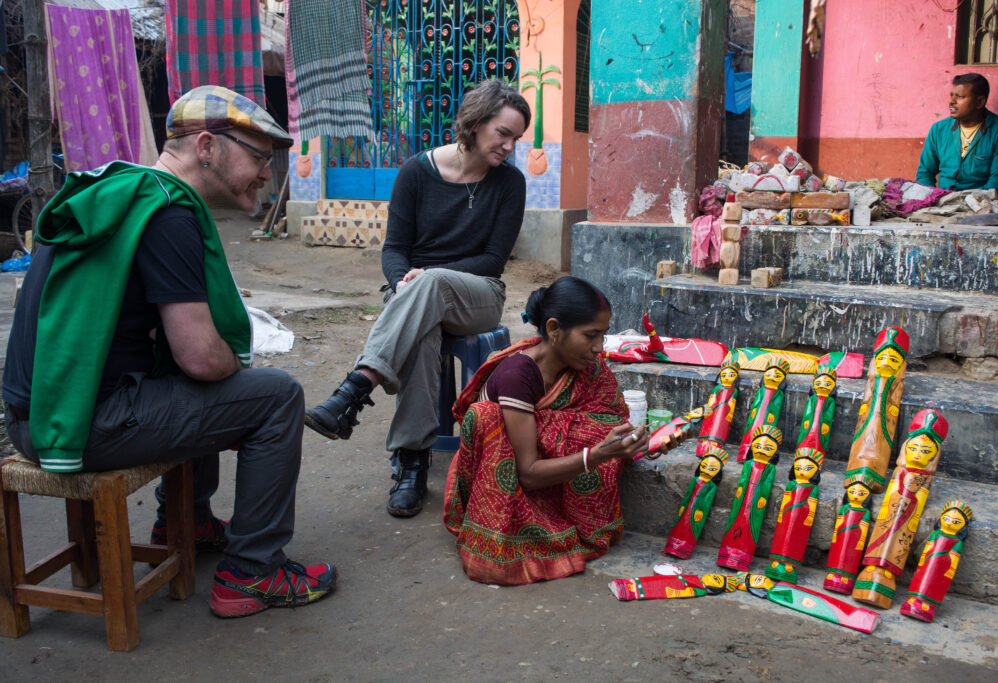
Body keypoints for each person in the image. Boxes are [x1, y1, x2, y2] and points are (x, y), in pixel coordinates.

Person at [2, 85, 336, 619]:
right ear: (207, 147)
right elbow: (201, 357)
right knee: (274, 397)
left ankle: (189, 522)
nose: (266, 174)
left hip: (36, 411)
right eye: (258, 157)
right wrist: (228, 359)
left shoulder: (125, 194)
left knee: (194, 381)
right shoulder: (167, 213)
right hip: (76, 424)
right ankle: (252, 572)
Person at [304, 79, 531, 518]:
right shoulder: (414, 172)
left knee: (430, 287)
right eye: (503, 133)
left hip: (478, 293)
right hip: (415, 295)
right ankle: (412, 463)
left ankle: (354, 390)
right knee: (422, 330)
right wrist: (402, 284)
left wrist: (427, 278)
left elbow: (492, 259)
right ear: (476, 121)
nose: (509, 145)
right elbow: (393, 250)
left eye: (516, 138)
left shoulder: (510, 183)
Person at [441, 277, 679, 585]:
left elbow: (606, 422)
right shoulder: (519, 375)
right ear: (553, 330)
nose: (598, 348)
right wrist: (597, 455)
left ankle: (556, 516)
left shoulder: (584, 367)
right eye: (591, 335)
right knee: (488, 416)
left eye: (603, 336)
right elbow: (526, 471)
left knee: (577, 427)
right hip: (502, 479)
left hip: (544, 474)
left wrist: (639, 443)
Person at [916, 73, 998, 197]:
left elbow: (997, 184)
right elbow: (924, 173)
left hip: (982, 202)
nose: (951, 102)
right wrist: (932, 198)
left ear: (980, 102)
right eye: (951, 96)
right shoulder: (938, 129)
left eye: (959, 97)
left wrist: (965, 202)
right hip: (943, 200)